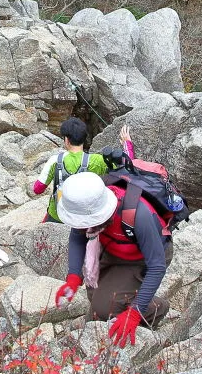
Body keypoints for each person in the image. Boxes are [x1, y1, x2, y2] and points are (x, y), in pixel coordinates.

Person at [52, 170, 172, 347]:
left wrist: (134, 312)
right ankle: (103, 315)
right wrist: (74, 277)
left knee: (104, 307)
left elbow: (157, 266)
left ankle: (156, 308)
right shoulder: (87, 208)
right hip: (112, 248)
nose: (85, 228)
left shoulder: (139, 215)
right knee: (94, 295)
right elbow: (77, 237)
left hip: (142, 259)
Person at [32, 117, 112, 223]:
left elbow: (38, 189)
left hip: (57, 215)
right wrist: (127, 144)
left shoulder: (55, 160)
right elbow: (122, 167)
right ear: (84, 139)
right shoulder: (97, 160)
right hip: (85, 217)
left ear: (67, 140)